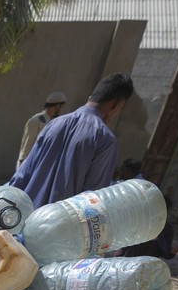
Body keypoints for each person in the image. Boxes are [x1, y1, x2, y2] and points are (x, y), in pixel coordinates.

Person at [9, 73, 134, 208]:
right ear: (118, 104)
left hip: (24, 218)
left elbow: (21, 176)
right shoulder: (105, 140)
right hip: (60, 225)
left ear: (90, 97)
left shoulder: (53, 124)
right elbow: (93, 200)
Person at [113, 158, 178, 259]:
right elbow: (122, 247)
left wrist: (171, 251)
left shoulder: (167, 228)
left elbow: (166, 253)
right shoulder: (140, 222)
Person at [15, 91, 67, 171]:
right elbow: (27, 143)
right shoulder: (37, 120)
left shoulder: (55, 122)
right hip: (29, 163)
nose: (60, 109)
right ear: (56, 106)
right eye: (59, 106)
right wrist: (22, 163)